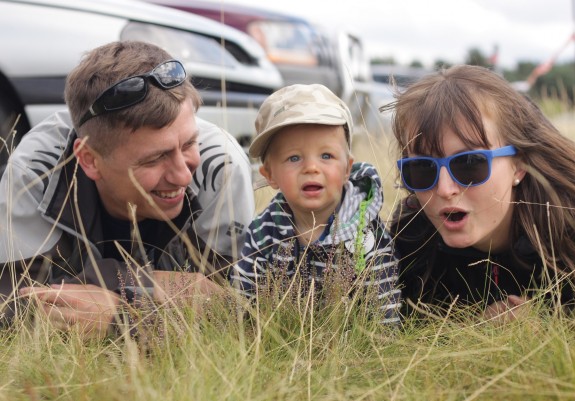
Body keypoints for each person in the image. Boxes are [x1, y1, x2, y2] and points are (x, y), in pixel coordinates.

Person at [0, 41, 254, 337]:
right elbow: (14, 308)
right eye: (155, 158)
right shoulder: (36, 170)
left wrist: (120, 318)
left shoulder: (220, 165)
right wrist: (161, 288)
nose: (183, 176)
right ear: (89, 159)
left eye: (188, 144)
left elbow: (237, 311)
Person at [387, 64, 575, 322]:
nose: (445, 189)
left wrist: (550, 326)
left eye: (469, 164)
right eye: (422, 168)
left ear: (518, 165)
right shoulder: (410, 239)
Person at [230, 84, 401, 324]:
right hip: (284, 339)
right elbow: (244, 299)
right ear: (270, 175)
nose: (311, 168)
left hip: (350, 342)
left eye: (326, 156)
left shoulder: (365, 228)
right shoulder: (263, 232)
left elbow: (384, 304)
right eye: (294, 158)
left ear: (347, 168)